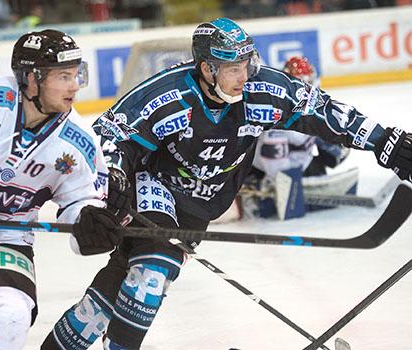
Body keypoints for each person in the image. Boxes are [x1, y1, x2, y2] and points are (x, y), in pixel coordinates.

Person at [41, 18, 412, 350]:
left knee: (114, 289)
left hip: (204, 203)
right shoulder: (168, 95)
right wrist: (112, 184)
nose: (245, 76)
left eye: (247, 64)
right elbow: (110, 135)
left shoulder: (263, 89)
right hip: (155, 186)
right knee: (154, 270)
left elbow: (320, 109)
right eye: (234, 68)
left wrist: (382, 141)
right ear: (207, 67)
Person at [0, 29, 121, 349]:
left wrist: (89, 223)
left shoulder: (78, 142)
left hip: (2, 239)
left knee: (8, 318)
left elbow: (80, 201)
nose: (75, 85)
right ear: (30, 78)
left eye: (77, 74)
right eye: (64, 76)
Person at [241, 55, 351, 219]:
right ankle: (251, 197)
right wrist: (291, 188)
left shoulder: (315, 109)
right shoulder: (276, 114)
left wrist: (334, 143)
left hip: (296, 166)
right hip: (266, 173)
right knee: (261, 206)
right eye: (300, 84)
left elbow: (338, 154)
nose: (305, 90)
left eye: (308, 83)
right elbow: (276, 167)